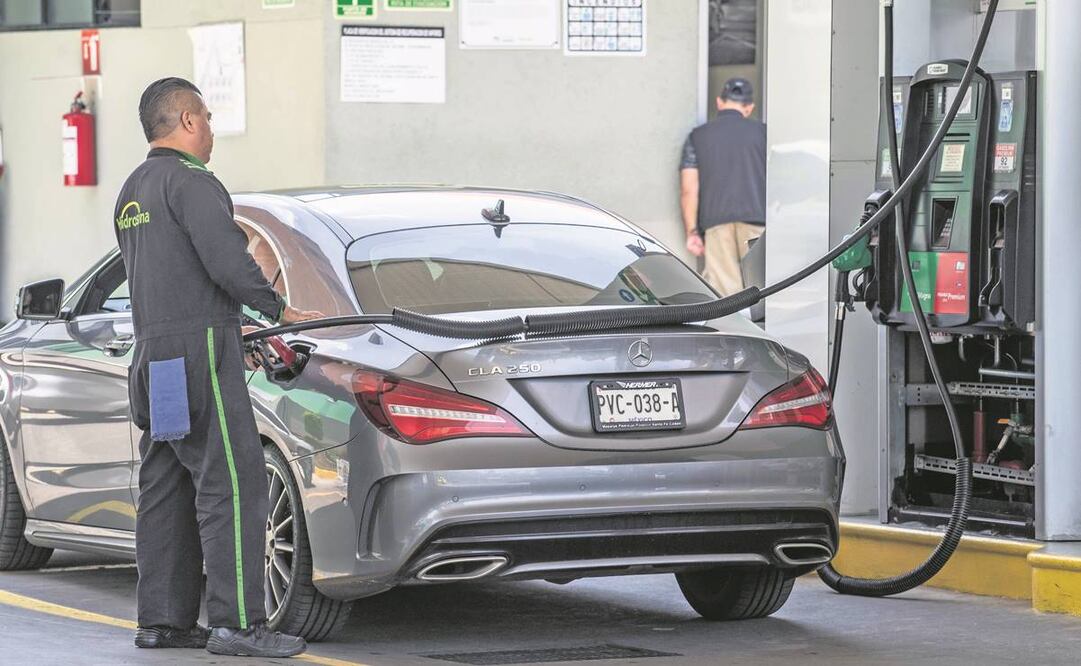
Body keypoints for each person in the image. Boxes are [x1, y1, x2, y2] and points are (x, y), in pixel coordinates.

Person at [114, 77, 321, 658]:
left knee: (168, 485)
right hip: (201, 354)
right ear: (184, 121)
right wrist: (278, 308)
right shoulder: (194, 183)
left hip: (155, 360)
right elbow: (227, 263)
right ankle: (238, 625)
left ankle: (164, 623)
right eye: (205, 117)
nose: (211, 130)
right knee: (233, 484)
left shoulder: (133, 192)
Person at [680, 77, 767, 296]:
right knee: (762, 288)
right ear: (748, 108)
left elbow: (689, 188)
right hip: (757, 222)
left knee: (726, 295)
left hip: (716, 224)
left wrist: (692, 232)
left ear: (719, 102)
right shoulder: (765, 134)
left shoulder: (697, 137)